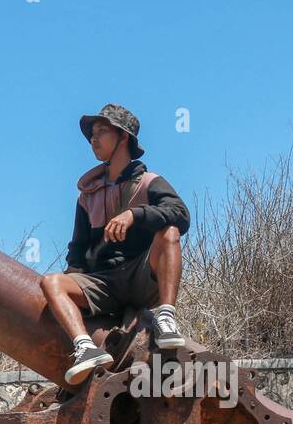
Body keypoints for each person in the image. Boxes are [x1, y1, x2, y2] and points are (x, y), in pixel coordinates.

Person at [39, 103, 190, 385]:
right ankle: (85, 347)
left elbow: (181, 215)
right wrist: (73, 286)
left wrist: (135, 214)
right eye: (91, 133)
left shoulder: (150, 183)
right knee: (51, 282)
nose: (93, 139)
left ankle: (167, 317)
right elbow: (78, 247)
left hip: (142, 276)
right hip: (104, 283)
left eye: (101, 131)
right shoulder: (88, 195)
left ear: (123, 137)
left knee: (169, 231)